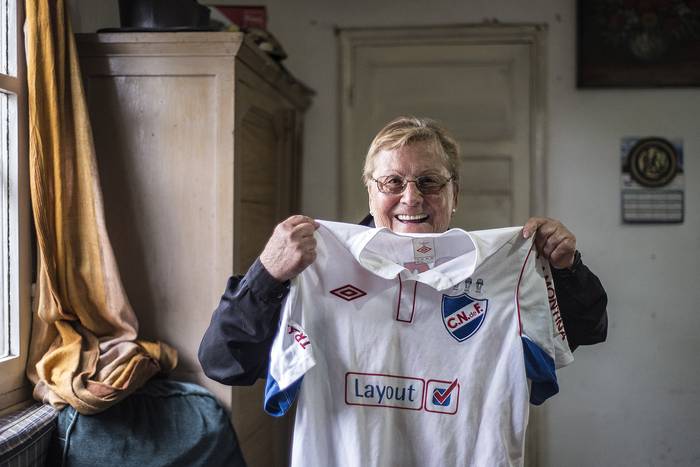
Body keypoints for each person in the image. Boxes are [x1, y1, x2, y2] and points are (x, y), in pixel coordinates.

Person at [198, 116, 608, 389]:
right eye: (392, 182)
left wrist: (567, 269)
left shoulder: (497, 265)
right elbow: (225, 362)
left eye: (429, 182)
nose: (410, 199)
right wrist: (266, 276)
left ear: (455, 194)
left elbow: (589, 331)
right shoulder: (314, 264)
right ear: (371, 190)